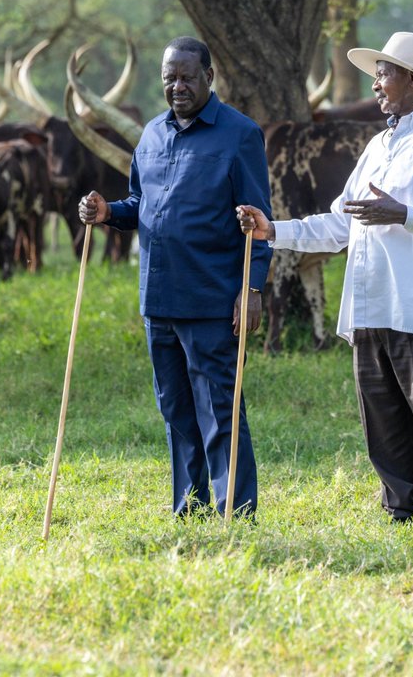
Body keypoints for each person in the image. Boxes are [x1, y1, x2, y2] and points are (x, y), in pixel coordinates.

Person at [237, 32, 413, 522]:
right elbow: (339, 224)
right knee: (383, 427)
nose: (374, 84)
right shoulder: (378, 145)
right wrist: (274, 230)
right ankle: (401, 516)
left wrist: (404, 214)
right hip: (371, 306)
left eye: (384, 73)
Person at [79, 36, 272, 518]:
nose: (178, 86)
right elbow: (141, 204)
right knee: (175, 411)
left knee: (220, 410)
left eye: (187, 76)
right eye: (170, 78)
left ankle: (235, 511)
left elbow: (258, 221)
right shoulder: (151, 135)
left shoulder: (239, 134)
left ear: (209, 76)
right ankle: (190, 506)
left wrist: (251, 290)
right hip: (158, 297)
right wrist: (107, 212)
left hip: (210, 297)